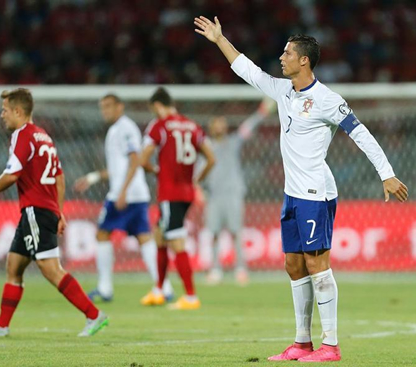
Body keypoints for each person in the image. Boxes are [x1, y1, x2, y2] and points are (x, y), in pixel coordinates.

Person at [194, 16, 408, 362]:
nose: (281, 58)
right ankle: (302, 342)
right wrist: (220, 39)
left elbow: (361, 133)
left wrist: (386, 173)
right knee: (293, 264)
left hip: (316, 193)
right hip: (292, 194)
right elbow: (244, 68)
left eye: (287, 53)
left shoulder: (327, 98)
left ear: (303, 60)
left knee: (316, 264)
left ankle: (331, 345)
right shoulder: (282, 91)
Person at [0, 88, 108, 337]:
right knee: (14, 265)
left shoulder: (22, 135)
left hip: (36, 210)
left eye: (4, 110)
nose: (2, 115)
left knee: (50, 268)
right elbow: (59, 177)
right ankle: (1, 326)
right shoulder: (44, 136)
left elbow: (13, 174)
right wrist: (59, 211)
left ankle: (94, 315)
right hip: (39, 211)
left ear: (17, 111)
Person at [74, 94, 174, 303]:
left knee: (103, 233)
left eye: (109, 106)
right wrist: (93, 177)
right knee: (143, 236)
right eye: (103, 107)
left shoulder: (126, 128)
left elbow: (135, 160)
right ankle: (164, 287)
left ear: (120, 106)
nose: (105, 111)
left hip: (126, 193)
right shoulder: (115, 130)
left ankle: (105, 288)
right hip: (133, 192)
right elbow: (118, 168)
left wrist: (123, 192)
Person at [139, 87, 215, 310]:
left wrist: (155, 170)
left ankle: (191, 296)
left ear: (157, 106)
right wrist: (196, 179)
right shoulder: (192, 126)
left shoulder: (159, 126)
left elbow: (143, 160)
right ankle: (159, 290)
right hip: (186, 191)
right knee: (160, 236)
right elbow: (211, 159)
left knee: (176, 241)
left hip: (169, 193)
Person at [204, 98, 276, 285]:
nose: (220, 127)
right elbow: (198, 171)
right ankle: (215, 268)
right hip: (213, 195)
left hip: (233, 193)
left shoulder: (233, 142)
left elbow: (247, 127)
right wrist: (197, 188)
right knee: (213, 233)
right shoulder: (205, 148)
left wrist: (262, 112)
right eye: (217, 124)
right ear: (211, 127)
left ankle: (240, 267)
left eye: (222, 124)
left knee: (236, 231)